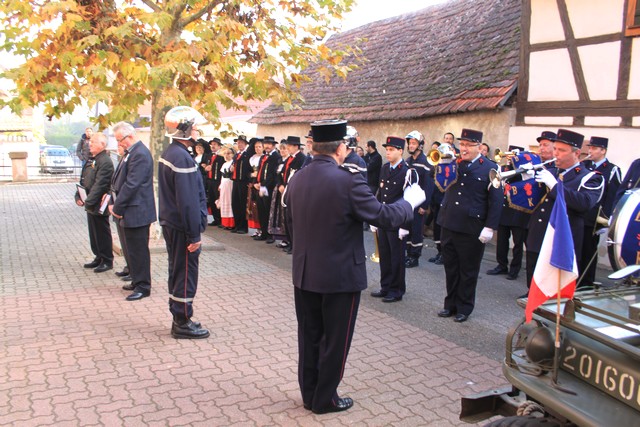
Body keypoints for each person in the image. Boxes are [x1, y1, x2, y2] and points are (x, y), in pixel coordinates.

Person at [284, 119, 424, 414]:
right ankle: (325, 399)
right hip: (339, 276)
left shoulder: (298, 177)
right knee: (335, 340)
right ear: (340, 148)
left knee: (309, 336)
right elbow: (384, 217)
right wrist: (410, 203)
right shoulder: (348, 180)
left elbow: (290, 223)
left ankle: (310, 394)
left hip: (305, 271)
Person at [524, 129, 604, 295]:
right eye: (555, 149)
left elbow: (583, 203)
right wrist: (524, 177)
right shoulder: (550, 171)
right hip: (538, 235)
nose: (556, 154)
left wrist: (555, 186)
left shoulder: (590, 177)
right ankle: (535, 317)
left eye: (561, 150)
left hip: (561, 240)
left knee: (556, 291)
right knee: (534, 284)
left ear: (576, 153)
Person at [436, 129, 502, 323]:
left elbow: (496, 200)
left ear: (479, 147)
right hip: (449, 222)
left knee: (468, 270)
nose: (463, 149)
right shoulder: (452, 162)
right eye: (462, 144)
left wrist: (490, 227)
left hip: (472, 226)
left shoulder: (490, 168)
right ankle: (450, 305)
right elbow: (442, 185)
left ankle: (464, 307)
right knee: (451, 268)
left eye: (468, 145)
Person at [158, 106, 210, 339]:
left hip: (172, 224)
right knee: (185, 273)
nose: (197, 130)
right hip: (181, 227)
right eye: (194, 127)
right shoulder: (181, 157)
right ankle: (182, 321)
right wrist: (194, 235)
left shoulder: (172, 152)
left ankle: (180, 315)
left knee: (178, 270)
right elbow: (188, 202)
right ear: (186, 130)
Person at [109, 122, 157, 301]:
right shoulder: (131, 153)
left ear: (129, 136)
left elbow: (132, 184)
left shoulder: (140, 154)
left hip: (137, 211)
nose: (119, 144)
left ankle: (143, 286)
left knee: (139, 250)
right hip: (130, 209)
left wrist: (118, 207)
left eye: (120, 140)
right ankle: (137, 280)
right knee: (131, 249)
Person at [369, 136, 411, 303]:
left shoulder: (407, 171)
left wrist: (405, 225)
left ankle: (396, 289)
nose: (388, 152)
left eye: (392, 149)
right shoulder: (385, 168)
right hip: (384, 218)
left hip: (398, 220)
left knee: (397, 257)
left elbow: (409, 201)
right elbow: (380, 195)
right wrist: (375, 217)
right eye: (387, 149)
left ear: (401, 151)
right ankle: (385, 286)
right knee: (384, 254)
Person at [579, 136, 621, 288]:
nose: (590, 151)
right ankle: (576, 279)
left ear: (603, 151)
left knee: (589, 251)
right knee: (577, 249)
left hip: (595, 217)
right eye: (589, 147)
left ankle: (587, 282)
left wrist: (607, 219)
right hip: (581, 214)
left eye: (594, 148)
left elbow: (613, 196)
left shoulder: (611, 169)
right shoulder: (584, 165)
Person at [486, 145, 530, 281]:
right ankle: (501, 265)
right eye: (509, 156)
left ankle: (515, 268)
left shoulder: (524, 170)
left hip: (518, 210)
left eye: (513, 156)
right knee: (502, 240)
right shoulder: (504, 168)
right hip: (505, 209)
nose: (510, 159)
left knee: (517, 243)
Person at [75, 132, 114, 273]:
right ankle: (98, 256)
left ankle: (107, 259)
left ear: (102, 145)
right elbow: (84, 180)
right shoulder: (92, 159)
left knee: (102, 231)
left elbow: (101, 184)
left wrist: (88, 201)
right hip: (91, 202)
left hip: (99, 202)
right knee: (94, 232)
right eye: (90, 142)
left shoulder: (105, 162)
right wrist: (78, 196)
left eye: (93, 143)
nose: (89, 145)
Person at [404, 130, 434, 269]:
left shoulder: (425, 162)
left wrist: (424, 205)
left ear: (420, 145)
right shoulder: (408, 161)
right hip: (408, 203)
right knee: (407, 228)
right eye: (409, 143)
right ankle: (408, 253)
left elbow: (429, 185)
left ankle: (414, 256)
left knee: (416, 230)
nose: (410, 146)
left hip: (419, 203)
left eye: (414, 143)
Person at [278, 136, 306, 254]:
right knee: (287, 217)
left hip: (294, 189)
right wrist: (281, 184)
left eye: (289, 146)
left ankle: (296, 245)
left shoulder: (301, 158)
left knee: (294, 218)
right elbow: (282, 173)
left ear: (296, 146)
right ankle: (289, 242)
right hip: (286, 189)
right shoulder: (289, 158)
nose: (288, 148)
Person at [254, 136, 281, 242]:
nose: (267, 146)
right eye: (265, 143)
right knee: (261, 211)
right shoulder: (263, 157)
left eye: (269, 144)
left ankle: (270, 234)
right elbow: (260, 171)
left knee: (269, 211)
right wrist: (257, 182)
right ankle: (264, 232)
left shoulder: (276, 156)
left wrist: (263, 184)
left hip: (268, 188)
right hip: (260, 186)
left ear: (273, 145)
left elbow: (273, 174)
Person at [270, 142, 290, 245]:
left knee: (284, 214)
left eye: (285, 149)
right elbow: (276, 175)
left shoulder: (289, 161)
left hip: (285, 189)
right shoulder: (279, 161)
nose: (282, 151)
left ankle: (286, 238)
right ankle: (277, 235)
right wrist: (279, 184)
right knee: (277, 213)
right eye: (281, 149)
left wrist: (283, 185)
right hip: (278, 188)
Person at [230, 135, 251, 234]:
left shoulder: (247, 155)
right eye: (238, 143)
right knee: (235, 203)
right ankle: (237, 224)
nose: (240, 144)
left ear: (245, 144)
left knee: (242, 204)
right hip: (235, 181)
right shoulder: (236, 155)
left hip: (243, 182)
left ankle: (243, 226)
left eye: (242, 143)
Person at [205, 137, 225, 226]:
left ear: (219, 146)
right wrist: (205, 167)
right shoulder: (209, 155)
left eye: (215, 144)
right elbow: (205, 165)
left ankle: (221, 219)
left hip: (217, 180)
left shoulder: (221, 157)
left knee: (218, 199)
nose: (213, 146)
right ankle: (215, 218)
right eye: (212, 144)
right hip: (210, 180)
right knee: (212, 199)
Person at [217, 147, 236, 230]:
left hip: (230, 184)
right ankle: (225, 222)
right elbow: (222, 176)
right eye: (225, 153)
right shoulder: (224, 164)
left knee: (230, 202)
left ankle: (231, 223)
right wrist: (220, 185)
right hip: (224, 184)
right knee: (224, 202)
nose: (226, 155)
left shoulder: (233, 163)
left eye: (229, 153)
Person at [248, 138, 264, 235]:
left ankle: (262, 229)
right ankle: (257, 229)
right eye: (256, 147)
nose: (257, 149)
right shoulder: (252, 158)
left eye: (259, 147)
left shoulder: (264, 158)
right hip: (253, 183)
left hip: (261, 183)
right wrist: (251, 176)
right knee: (254, 206)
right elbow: (248, 172)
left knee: (261, 207)